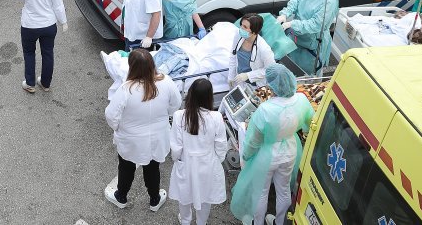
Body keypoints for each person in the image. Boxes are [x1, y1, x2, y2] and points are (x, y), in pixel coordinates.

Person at [230, 64, 314, 225]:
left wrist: (246, 156)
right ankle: (280, 221)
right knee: (283, 190)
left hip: (266, 154)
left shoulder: (265, 110)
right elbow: (309, 124)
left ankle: (258, 222)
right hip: (290, 150)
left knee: (261, 192)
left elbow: (253, 140)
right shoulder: (302, 100)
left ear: (272, 85)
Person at [104, 48, 180, 211]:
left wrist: (118, 128)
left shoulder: (127, 89)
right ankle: (154, 199)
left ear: (132, 67)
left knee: (126, 167)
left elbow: (111, 115)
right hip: (158, 137)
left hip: (131, 139)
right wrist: (164, 117)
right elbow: (176, 103)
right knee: (153, 168)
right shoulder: (166, 82)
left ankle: (121, 196)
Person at [169, 79, 227, 225]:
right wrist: (216, 160)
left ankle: (186, 220)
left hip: (186, 163)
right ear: (209, 97)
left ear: (190, 95)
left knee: (184, 195)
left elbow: (176, 146)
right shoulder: (216, 117)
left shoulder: (179, 116)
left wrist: (177, 160)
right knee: (205, 197)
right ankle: (201, 222)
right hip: (207, 163)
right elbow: (221, 145)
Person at [15, 0, 67, 93]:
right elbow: (58, 6)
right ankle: (45, 83)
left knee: (29, 53)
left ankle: (30, 83)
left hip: (29, 27)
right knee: (48, 53)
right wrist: (63, 21)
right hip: (49, 26)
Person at [277, 0, 339, 75]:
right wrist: (285, 14)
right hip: (296, 38)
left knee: (307, 77)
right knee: (290, 69)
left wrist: (292, 24)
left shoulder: (329, 1)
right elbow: (295, 0)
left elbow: (316, 24)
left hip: (312, 44)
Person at [228, 14, 276, 89]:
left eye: (245, 27)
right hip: (240, 81)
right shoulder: (238, 35)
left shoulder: (264, 49)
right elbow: (233, 55)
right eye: (241, 25)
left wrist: (248, 75)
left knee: (255, 100)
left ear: (254, 32)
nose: (241, 28)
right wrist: (230, 76)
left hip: (257, 86)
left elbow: (270, 70)